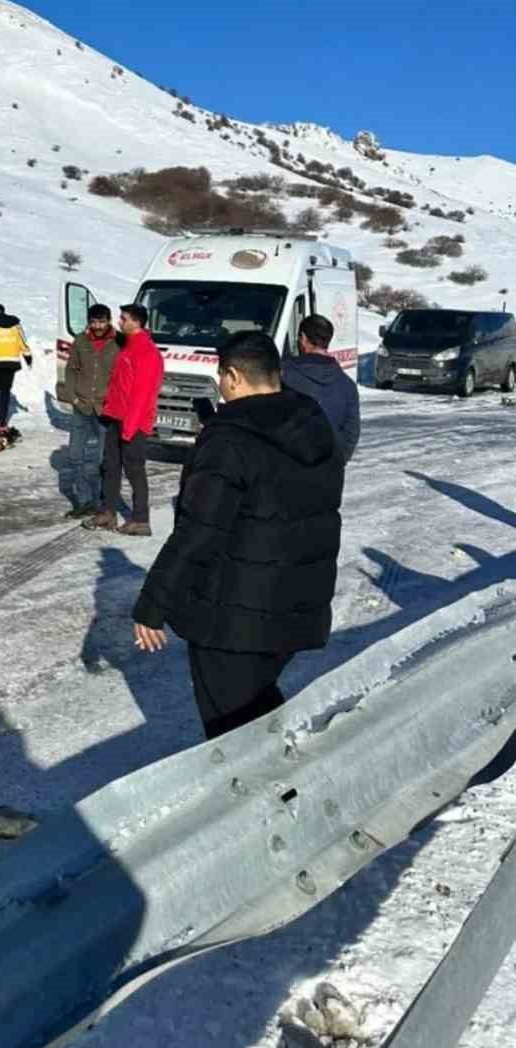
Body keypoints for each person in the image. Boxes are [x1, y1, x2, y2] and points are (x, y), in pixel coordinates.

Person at [131, 331, 344, 739]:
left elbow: (199, 531)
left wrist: (153, 605)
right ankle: (291, 779)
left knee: (232, 731)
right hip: (296, 604)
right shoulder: (312, 421)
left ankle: (265, 795)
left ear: (231, 377)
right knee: (258, 710)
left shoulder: (230, 439)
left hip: (235, 616)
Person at [85, 302, 164, 536]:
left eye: (123, 318)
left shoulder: (147, 352)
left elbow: (142, 394)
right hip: (116, 417)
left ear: (136, 322)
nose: (119, 322)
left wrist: (130, 427)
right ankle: (107, 513)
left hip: (134, 422)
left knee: (134, 470)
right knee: (109, 467)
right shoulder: (128, 347)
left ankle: (141, 519)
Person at [57, 303, 117, 518]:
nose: (98, 326)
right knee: (75, 456)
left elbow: (123, 376)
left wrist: (115, 401)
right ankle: (84, 501)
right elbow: (71, 368)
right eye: (94, 322)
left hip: (104, 409)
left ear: (109, 321)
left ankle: (102, 502)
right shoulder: (81, 341)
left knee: (102, 460)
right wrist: (72, 395)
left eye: (102, 321)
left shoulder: (118, 343)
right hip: (81, 407)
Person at [281, 314, 361, 463]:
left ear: (303, 338)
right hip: (328, 474)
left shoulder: (285, 375)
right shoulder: (347, 385)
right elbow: (351, 432)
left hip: (287, 469)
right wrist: (335, 464)